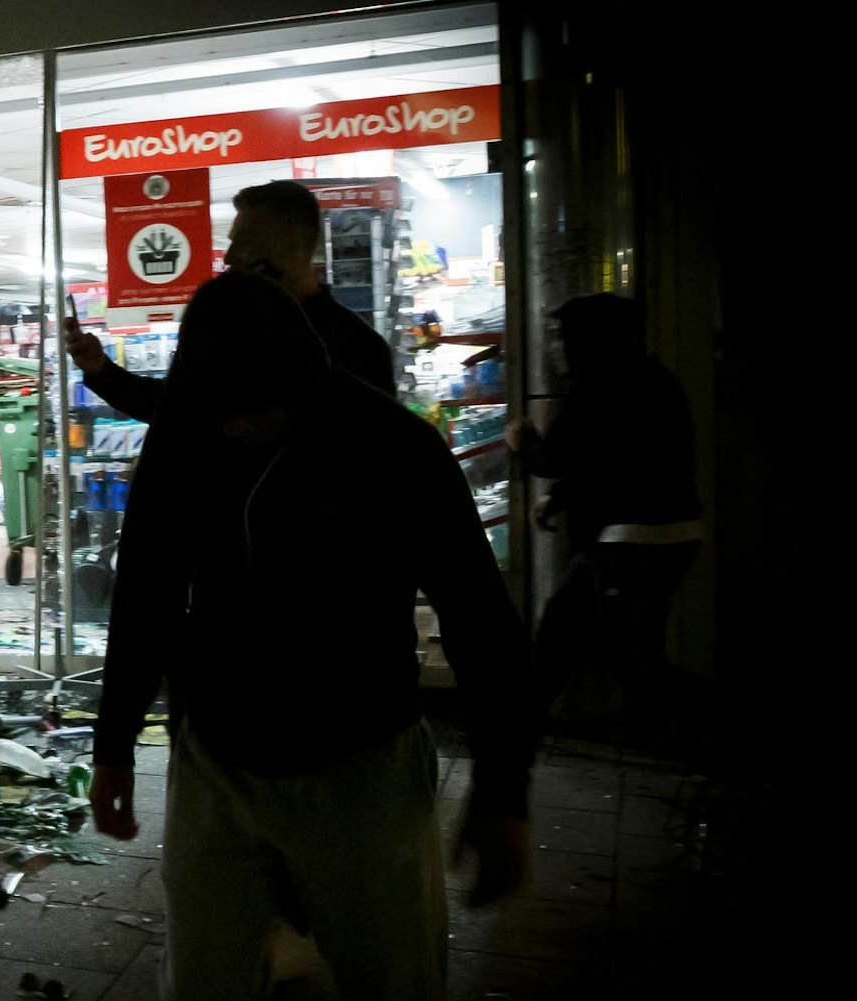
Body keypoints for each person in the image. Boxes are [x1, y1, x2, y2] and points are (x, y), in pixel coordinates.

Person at [87, 270, 536, 1000]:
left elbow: (480, 617)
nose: (232, 429)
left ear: (305, 386)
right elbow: (146, 592)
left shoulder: (394, 447)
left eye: (253, 414)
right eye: (219, 413)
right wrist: (113, 747)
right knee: (203, 977)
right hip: (218, 757)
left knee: (391, 978)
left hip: (363, 761)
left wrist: (503, 788)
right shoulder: (186, 430)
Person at [508, 292, 703, 744]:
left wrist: (523, 443)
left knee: (631, 661)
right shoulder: (653, 379)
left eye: (560, 337)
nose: (554, 347)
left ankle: (738, 730)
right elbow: (616, 460)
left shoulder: (598, 386)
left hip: (633, 541)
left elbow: (556, 457)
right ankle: (523, 724)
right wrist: (558, 498)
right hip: (665, 537)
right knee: (570, 627)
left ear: (585, 340)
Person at [64, 179, 397, 419]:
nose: (231, 256)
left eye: (246, 241)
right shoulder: (231, 335)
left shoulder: (357, 348)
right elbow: (175, 407)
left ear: (291, 245)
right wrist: (102, 371)